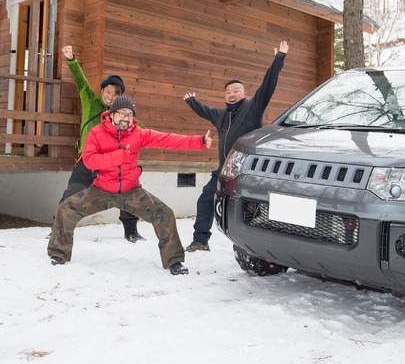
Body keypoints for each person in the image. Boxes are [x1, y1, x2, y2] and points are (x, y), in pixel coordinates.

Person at [47, 96, 212, 275]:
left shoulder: (138, 134)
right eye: (122, 113)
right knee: (66, 209)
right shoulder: (96, 133)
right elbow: (89, 161)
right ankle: (59, 254)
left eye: (130, 115)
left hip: (131, 192)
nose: (126, 118)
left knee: (164, 214)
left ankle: (174, 261)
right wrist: (118, 156)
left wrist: (199, 142)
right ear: (112, 114)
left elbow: (168, 140)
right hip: (101, 190)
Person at [183, 40, 289, 252]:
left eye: (236, 90)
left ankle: (250, 246)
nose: (232, 94)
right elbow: (205, 110)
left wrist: (279, 59)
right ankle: (200, 241)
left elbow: (268, 85)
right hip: (223, 170)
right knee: (205, 200)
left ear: (244, 93)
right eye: (228, 92)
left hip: (246, 171)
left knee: (247, 208)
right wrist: (192, 101)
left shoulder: (253, 108)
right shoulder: (220, 115)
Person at [55, 45, 144, 242]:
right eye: (108, 91)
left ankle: (131, 231)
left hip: (112, 164)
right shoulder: (90, 100)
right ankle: (59, 228)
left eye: (115, 94)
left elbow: (141, 131)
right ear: (102, 89)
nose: (110, 96)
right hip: (88, 161)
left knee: (128, 192)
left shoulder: (122, 114)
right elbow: (80, 80)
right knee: (72, 193)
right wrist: (71, 59)